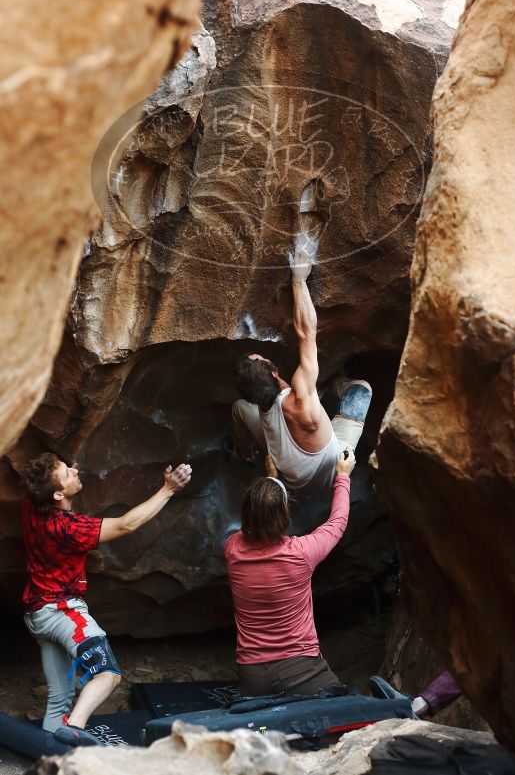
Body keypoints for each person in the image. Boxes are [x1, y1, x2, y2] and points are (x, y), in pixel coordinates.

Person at [21, 453, 192, 747]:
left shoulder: (31, 507)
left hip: (36, 614)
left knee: (59, 698)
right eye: (67, 474)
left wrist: (58, 472)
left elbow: (42, 485)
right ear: (58, 494)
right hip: (62, 612)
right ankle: (73, 729)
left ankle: (50, 754)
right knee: (108, 675)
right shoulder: (69, 528)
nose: (75, 472)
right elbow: (126, 525)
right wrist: (168, 490)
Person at [231, 237, 372, 490]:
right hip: (331, 473)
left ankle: (243, 453)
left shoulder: (260, 403)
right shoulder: (301, 399)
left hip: (292, 479)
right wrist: (299, 279)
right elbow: (307, 333)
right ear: (274, 373)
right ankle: (334, 382)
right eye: (262, 358)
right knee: (361, 389)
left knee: (239, 409)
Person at [224, 449, 355, 697]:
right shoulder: (302, 553)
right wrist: (343, 476)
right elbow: (337, 521)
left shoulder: (233, 550)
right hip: (303, 671)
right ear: (284, 515)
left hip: (252, 675)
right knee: (343, 711)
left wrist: (271, 481)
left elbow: (259, 519)